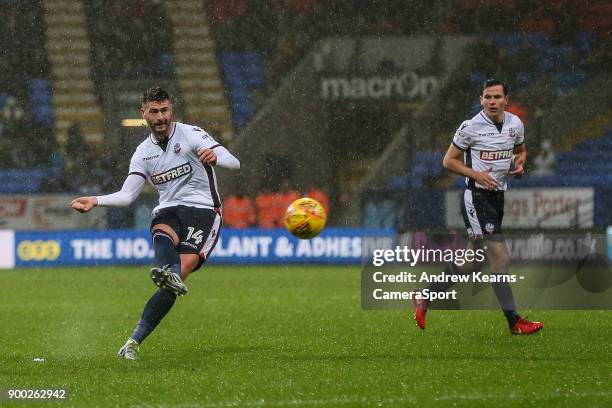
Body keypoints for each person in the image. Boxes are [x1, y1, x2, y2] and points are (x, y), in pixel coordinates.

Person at [71, 87, 240, 359]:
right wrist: (96, 200)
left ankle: (134, 339)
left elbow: (235, 162)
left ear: (172, 110)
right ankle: (165, 281)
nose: (160, 117)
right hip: (170, 210)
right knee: (161, 231)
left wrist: (216, 156)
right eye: (154, 111)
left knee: (178, 274)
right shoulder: (143, 152)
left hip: (204, 211)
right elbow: (127, 195)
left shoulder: (192, 134)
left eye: (164, 111)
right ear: (143, 114)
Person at [412, 79, 543, 335]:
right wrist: (476, 174)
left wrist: (519, 163)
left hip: (497, 198)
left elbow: (521, 150)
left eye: (497, 97)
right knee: (500, 258)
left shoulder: (515, 124)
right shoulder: (470, 127)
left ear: (506, 99)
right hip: (476, 198)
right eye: (487, 97)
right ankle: (514, 322)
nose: (492, 101)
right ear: (481, 99)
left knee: (472, 263)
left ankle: (424, 295)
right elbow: (448, 161)